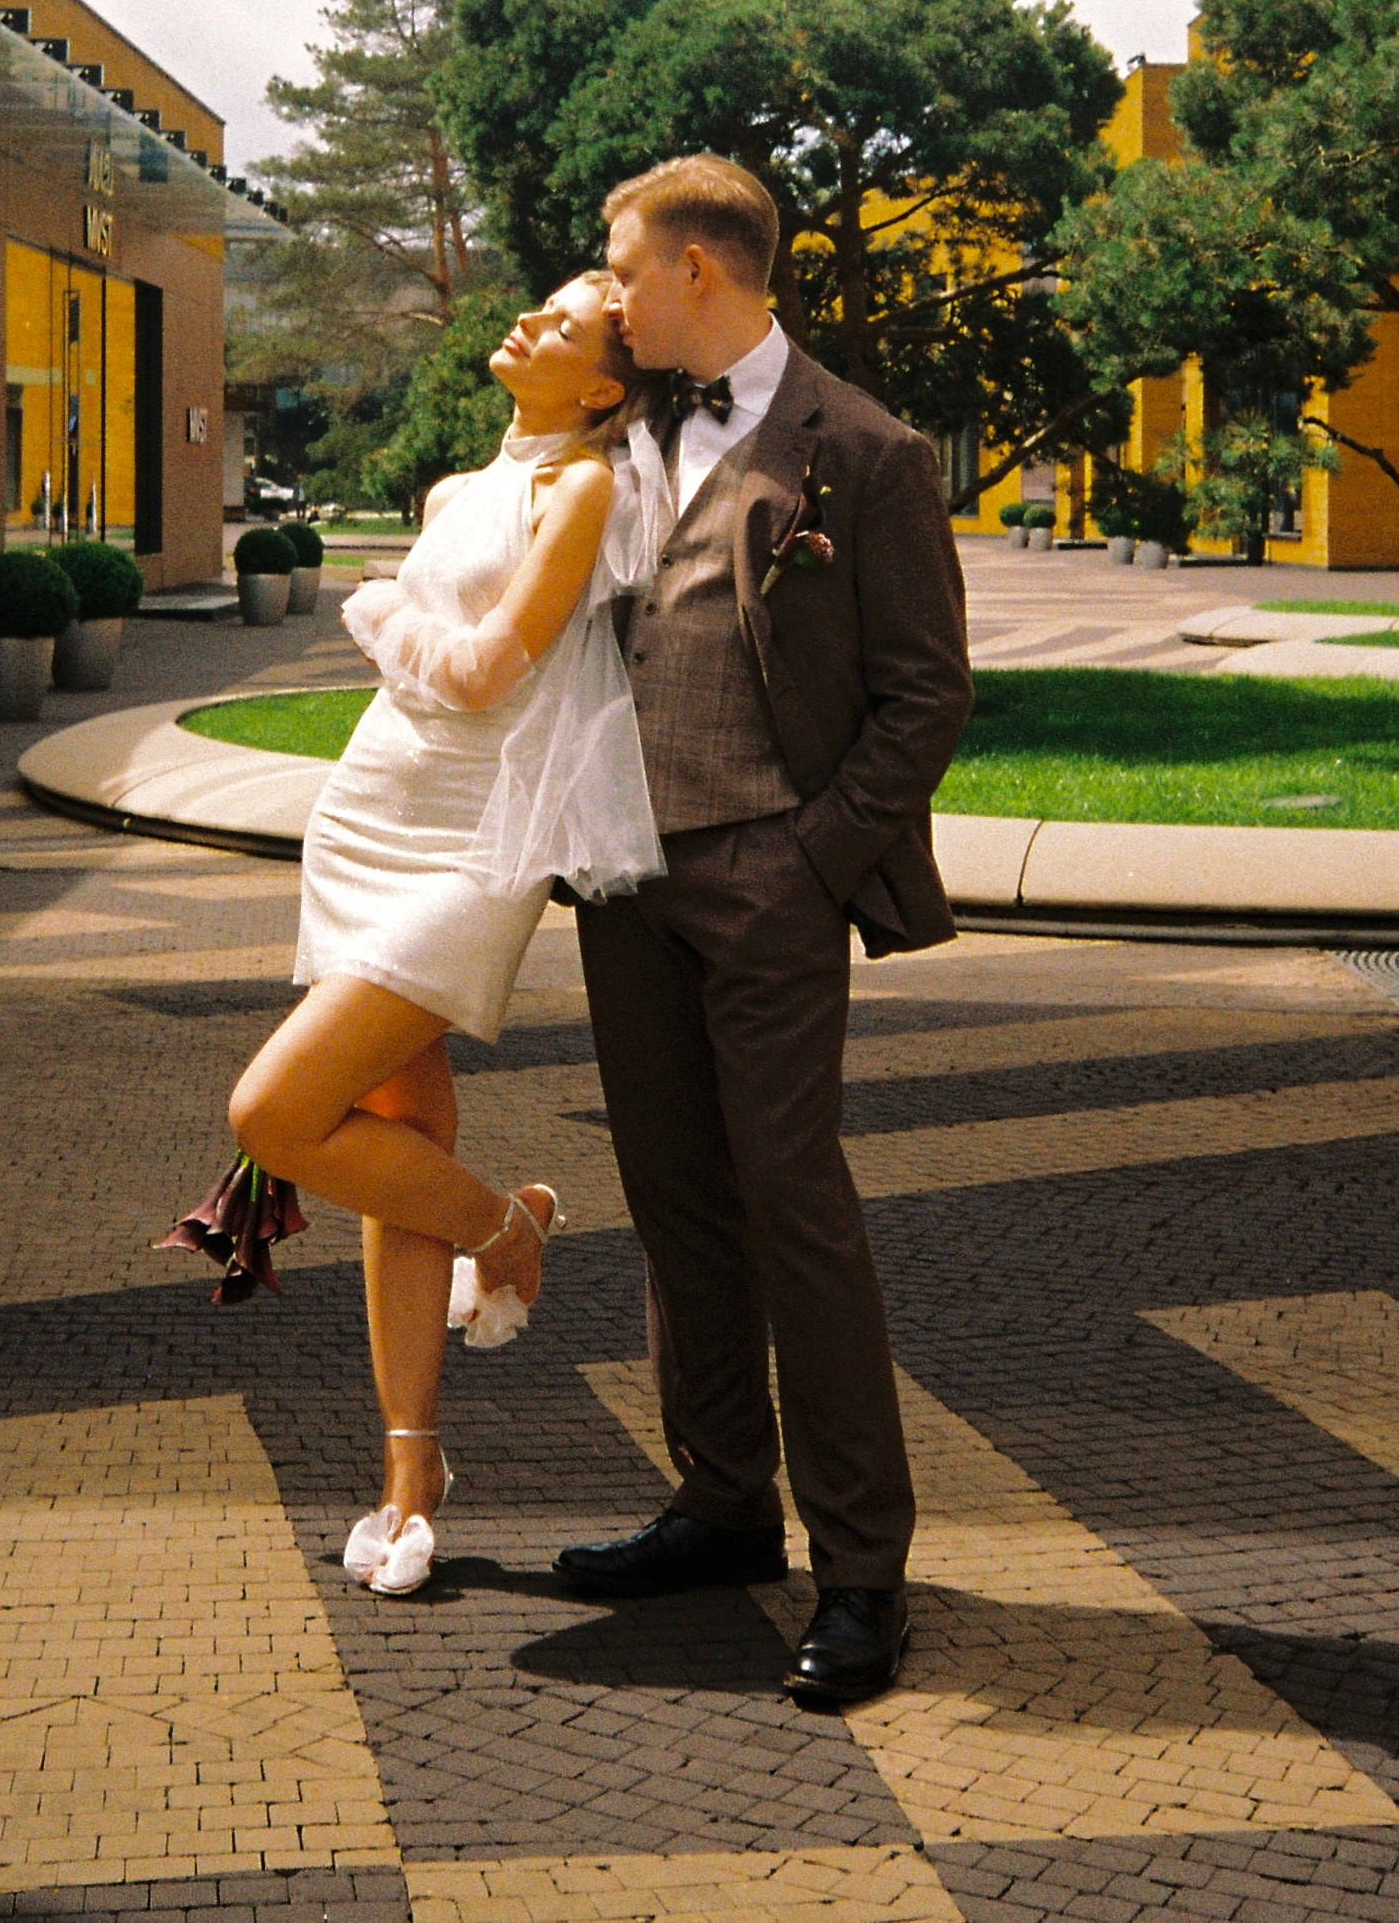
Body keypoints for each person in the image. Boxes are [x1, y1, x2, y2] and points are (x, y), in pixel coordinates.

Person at [554, 154, 973, 1708]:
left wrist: (810, 860)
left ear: (700, 275)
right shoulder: (624, 423)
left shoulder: (863, 451)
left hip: (764, 879)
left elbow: (927, 694)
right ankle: (724, 1501)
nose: (607, 286)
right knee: (675, 1201)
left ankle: (863, 1567)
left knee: (795, 1204)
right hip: (624, 883)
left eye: (622, 262)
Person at [215, 271, 663, 1598]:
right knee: (394, 1145)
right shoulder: (457, 492)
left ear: (602, 386)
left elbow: (486, 670)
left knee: (274, 1110)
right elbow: (442, 669)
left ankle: (506, 1230)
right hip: (368, 819)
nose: (527, 320)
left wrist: (375, 612)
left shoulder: (582, 487)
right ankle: (412, 1475)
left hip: (473, 846)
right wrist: (407, 623)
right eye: (540, 305)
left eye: (566, 324)